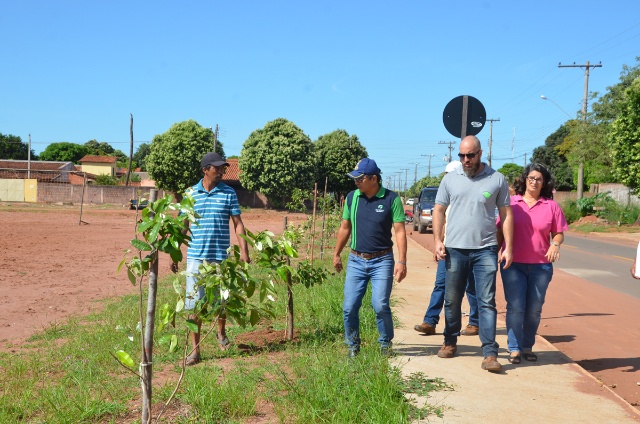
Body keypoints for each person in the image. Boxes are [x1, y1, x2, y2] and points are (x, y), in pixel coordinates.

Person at [433, 135, 513, 373]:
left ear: (480, 154)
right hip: (455, 249)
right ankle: (450, 341)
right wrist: (438, 240)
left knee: (486, 301)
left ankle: (489, 353)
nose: (465, 160)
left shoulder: (497, 179)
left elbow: (506, 215)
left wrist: (508, 246)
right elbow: (438, 210)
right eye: (462, 156)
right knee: (452, 299)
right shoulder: (450, 179)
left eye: (470, 155)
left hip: (485, 250)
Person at [171, 152, 250, 366]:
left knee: (221, 302)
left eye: (223, 168)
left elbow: (237, 223)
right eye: (217, 168)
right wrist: (175, 252)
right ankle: (195, 351)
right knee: (194, 304)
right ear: (205, 169)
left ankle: (221, 333)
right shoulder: (190, 194)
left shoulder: (229, 193)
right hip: (196, 258)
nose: (222, 171)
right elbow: (182, 226)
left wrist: (244, 251)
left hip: (220, 258)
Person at [333, 158, 407, 357]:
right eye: (355, 179)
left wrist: (402, 262)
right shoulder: (352, 198)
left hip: (382, 261)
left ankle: (385, 344)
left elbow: (400, 231)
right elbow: (345, 227)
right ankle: (352, 346)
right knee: (349, 307)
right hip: (356, 260)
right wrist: (337, 253)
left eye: (360, 178)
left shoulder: (392, 199)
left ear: (373, 179)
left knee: (380, 305)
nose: (356, 182)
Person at [496, 163, 567, 364]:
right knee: (516, 306)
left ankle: (527, 346)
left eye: (539, 179)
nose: (534, 182)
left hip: (540, 267)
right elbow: (500, 230)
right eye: (531, 178)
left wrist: (555, 244)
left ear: (544, 183)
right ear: (525, 180)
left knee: (534, 309)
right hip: (513, 264)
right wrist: (495, 252)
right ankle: (514, 348)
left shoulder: (551, 206)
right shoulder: (512, 203)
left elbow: (559, 232)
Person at [414, 258, 479, 336]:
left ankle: (474, 323)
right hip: (446, 252)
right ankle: (429, 322)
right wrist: (438, 246)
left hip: (469, 250)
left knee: (471, 287)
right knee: (440, 285)